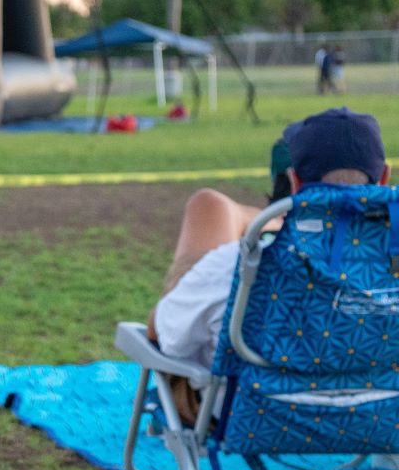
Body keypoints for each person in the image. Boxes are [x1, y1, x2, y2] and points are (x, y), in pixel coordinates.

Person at [152, 108, 388, 372]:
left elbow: (162, 336)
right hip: (377, 411)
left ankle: (262, 220)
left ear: (294, 181)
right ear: (385, 179)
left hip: (256, 410)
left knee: (208, 205)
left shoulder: (238, 266)